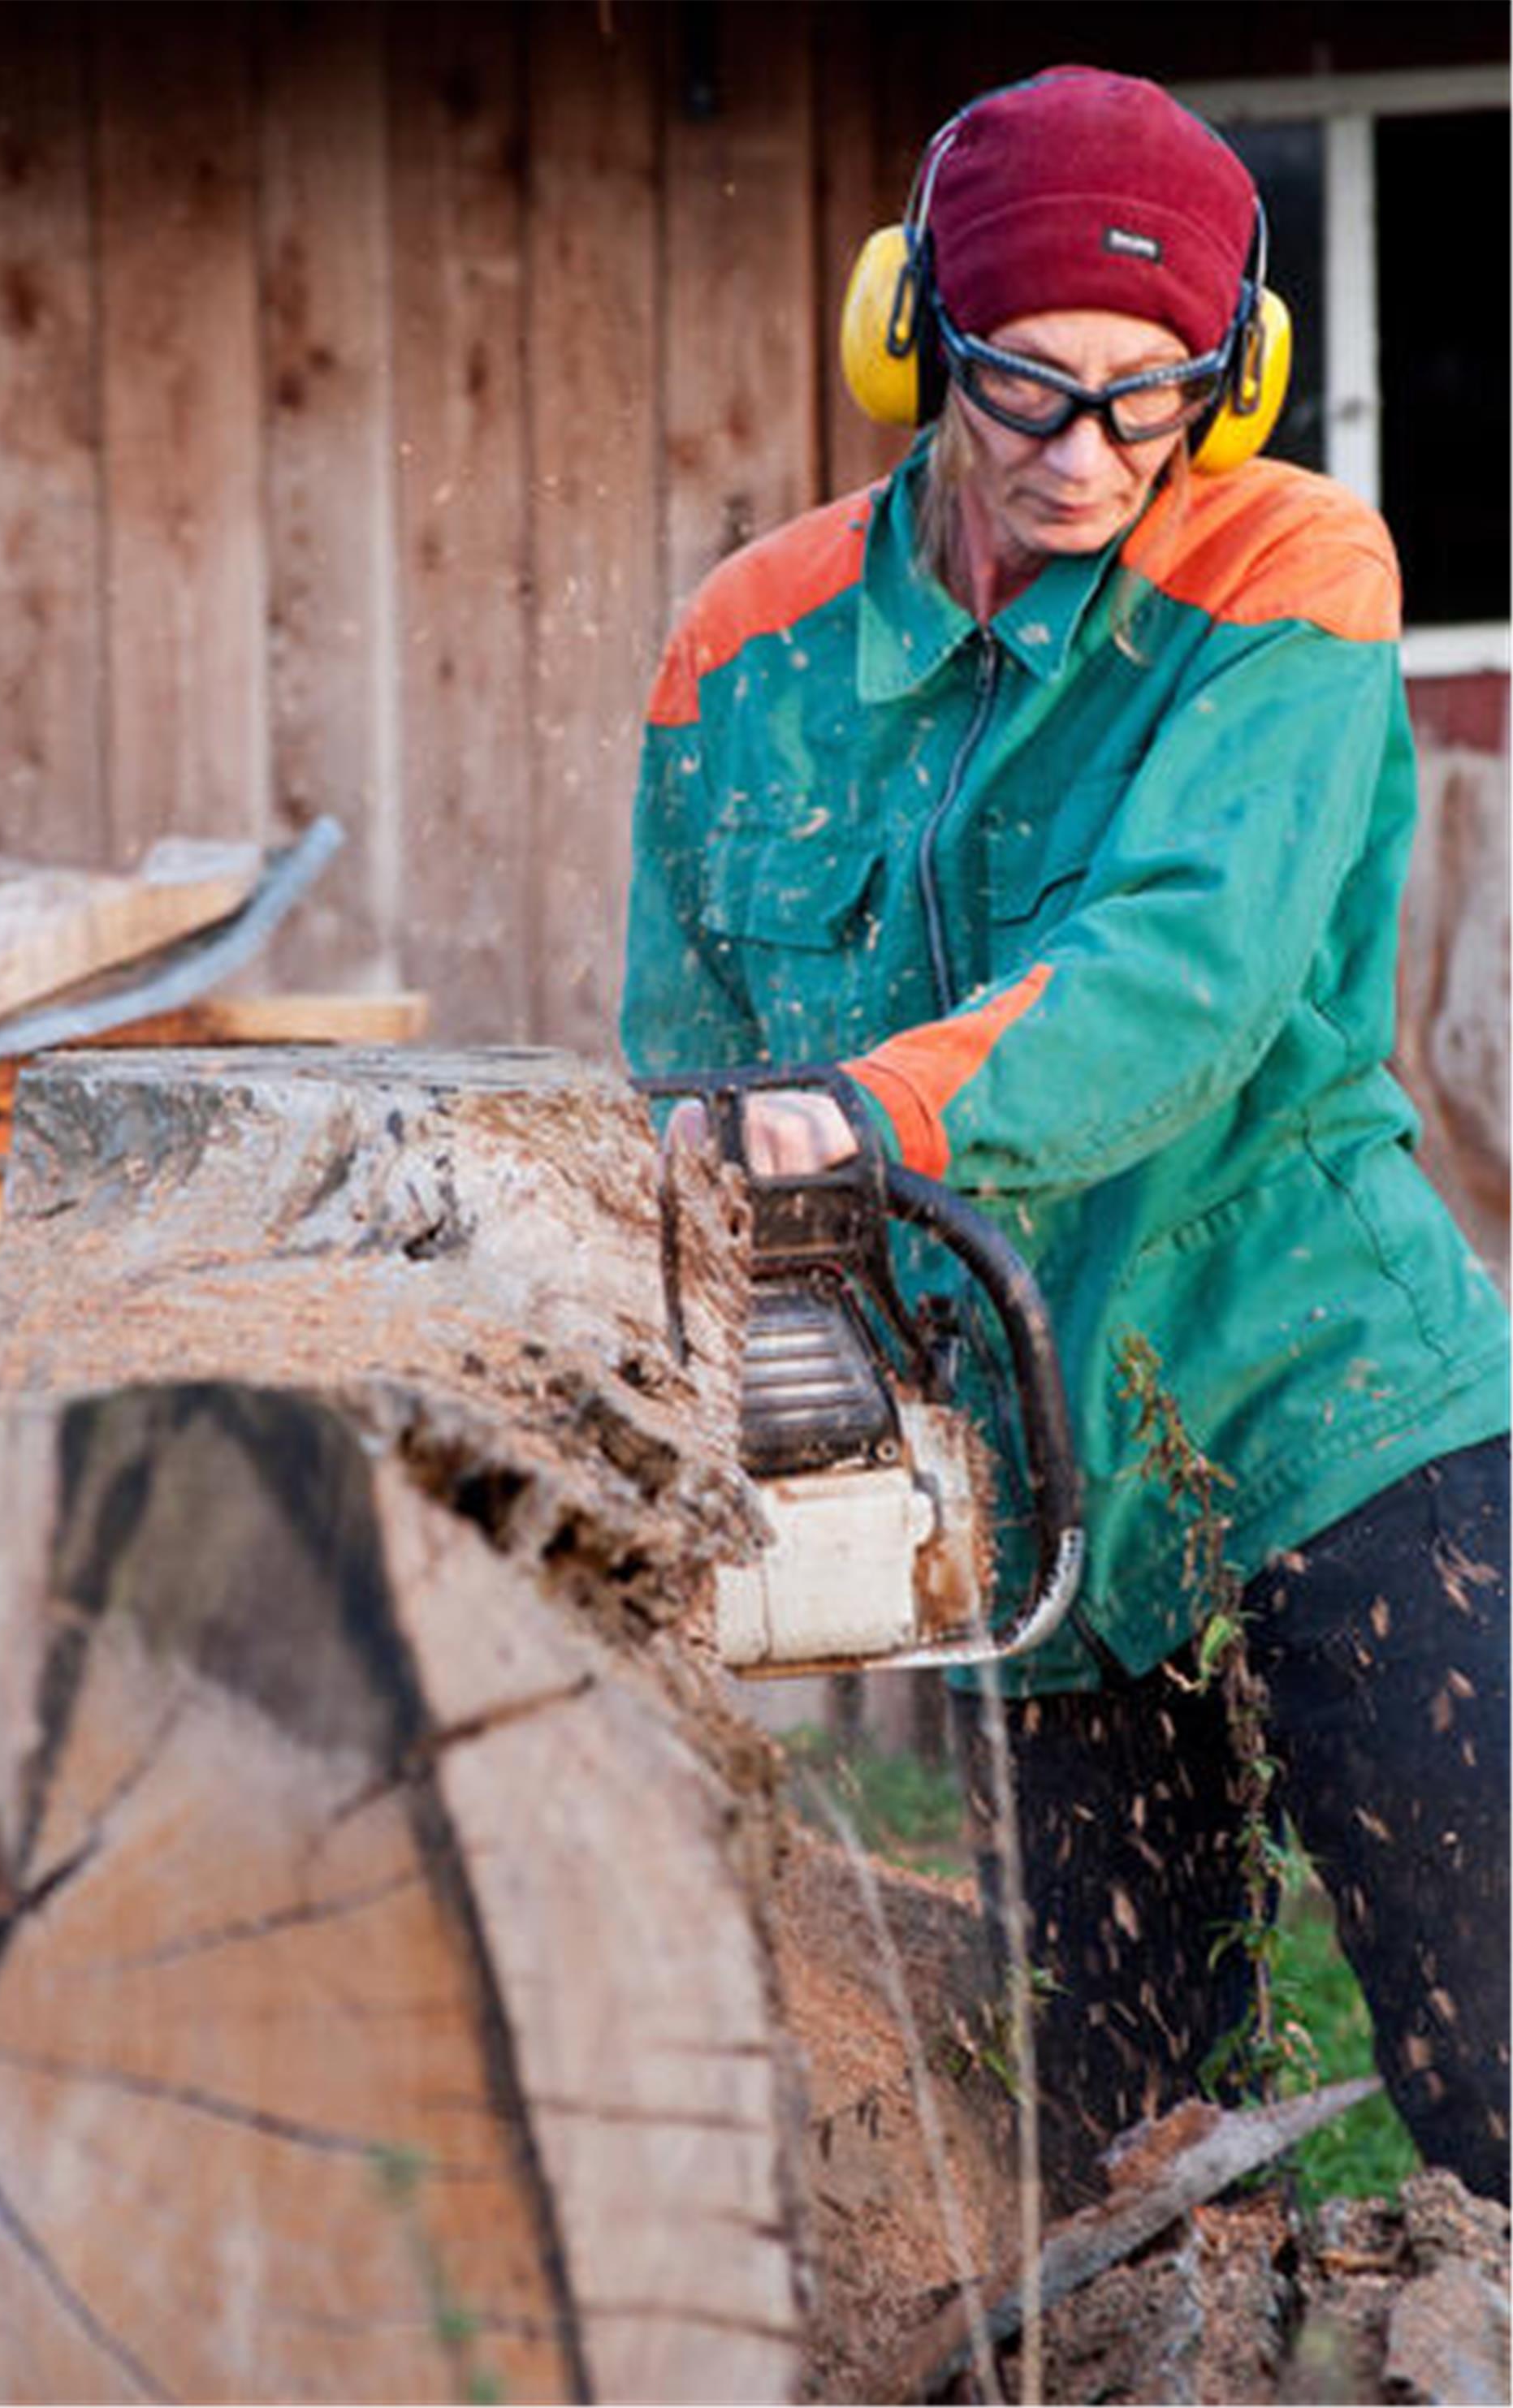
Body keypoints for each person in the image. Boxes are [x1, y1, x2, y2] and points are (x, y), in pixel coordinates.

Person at [620, 64, 1510, 2207]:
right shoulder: (747, 646)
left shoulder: (1293, 567)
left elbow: (1174, 985)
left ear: (1237, 375)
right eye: (1032, 390)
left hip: (1329, 1407)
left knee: (1499, 2055)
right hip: (1040, 1512)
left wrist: (859, 1110)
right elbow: (684, 1060)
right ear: (913, 335)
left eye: (1158, 397)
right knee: (1121, 2155)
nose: (1095, 456)